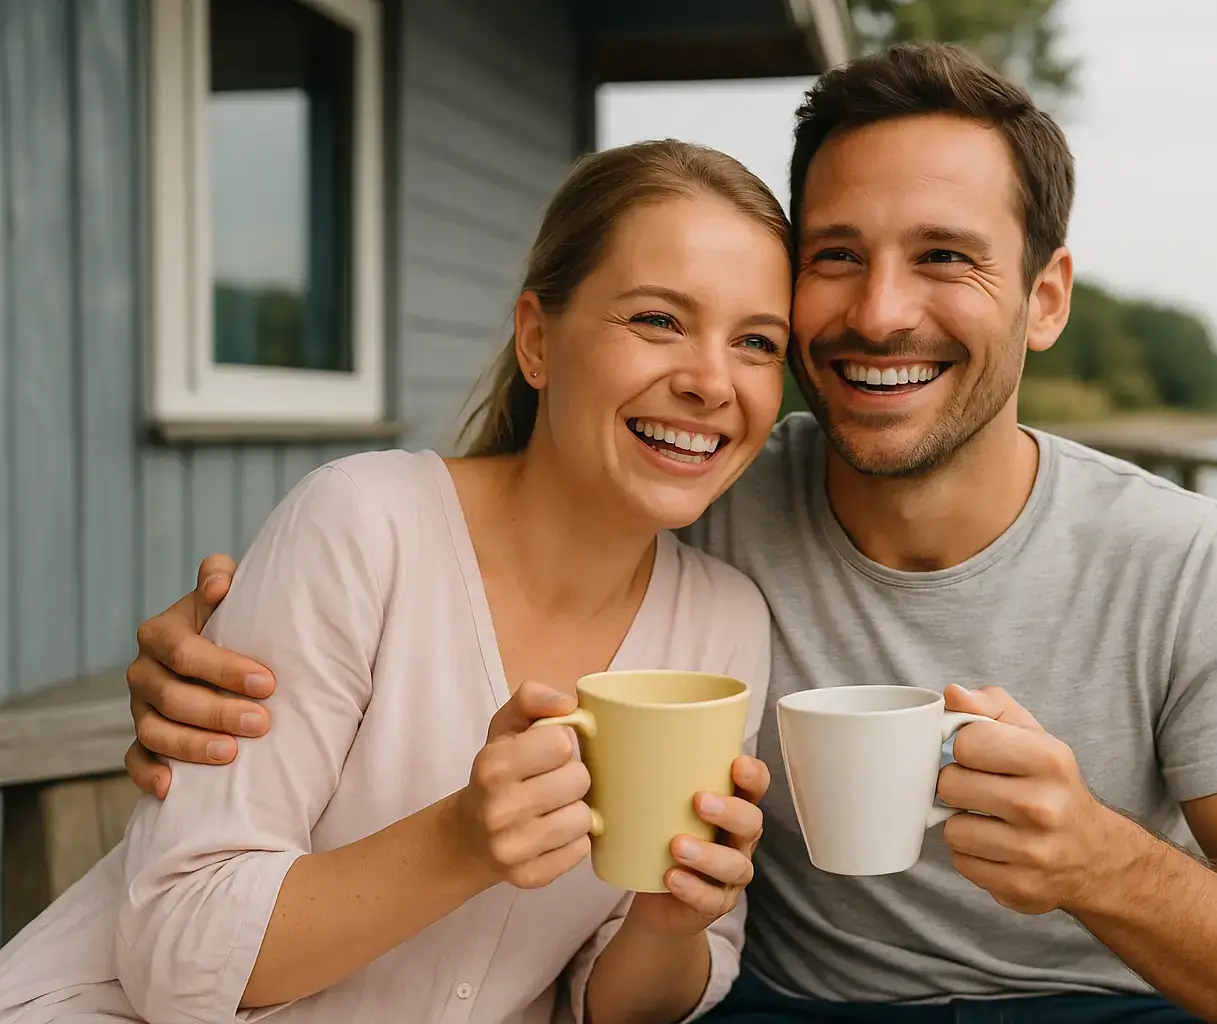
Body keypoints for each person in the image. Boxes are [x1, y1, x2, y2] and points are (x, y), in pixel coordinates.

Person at [117, 43, 1217, 1024]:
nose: (880, 311)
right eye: (837, 255)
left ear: (1044, 299)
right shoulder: (701, 490)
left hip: (1097, 1002)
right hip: (786, 1005)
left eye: (945, 256)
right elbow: (490, 528)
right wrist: (216, 647)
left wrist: (1102, 861)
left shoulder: (1177, 560)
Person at [0, 140, 795, 1024]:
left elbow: (611, 1004)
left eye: (757, 342)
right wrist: (460, 842)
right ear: (537, 340)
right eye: (657, 320)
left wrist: (668, 925)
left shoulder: (725, 624)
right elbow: (176, 951)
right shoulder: (362, 524)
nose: (711, 382)